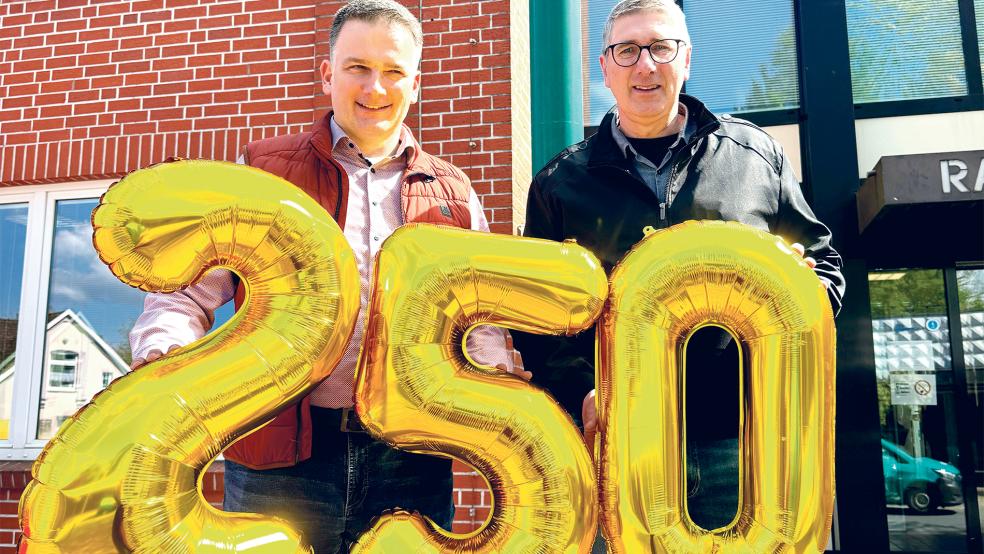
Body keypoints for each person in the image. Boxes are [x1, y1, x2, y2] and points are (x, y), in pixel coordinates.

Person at [129, 1, 515, 551]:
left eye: (393, 70)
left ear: (416, 82)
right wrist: (164, 351)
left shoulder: (454, 192)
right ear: (327, 72)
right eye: (357, 66)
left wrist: (494, 374)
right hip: (278, 458)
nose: (375, 87)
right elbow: (188, 292)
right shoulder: (263, 172)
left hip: (411, 459)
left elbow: (481, 316)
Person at [512, 0, 846, 533]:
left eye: (661, 47)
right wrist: (580, 392)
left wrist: (795, 294)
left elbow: (824, 269)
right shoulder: (559, 183)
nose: (645, 65)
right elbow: (537, 318)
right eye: (627, 50)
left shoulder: (754, 157)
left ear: (686, 58)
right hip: (615, 444)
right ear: (606, 68)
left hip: (737, 443)